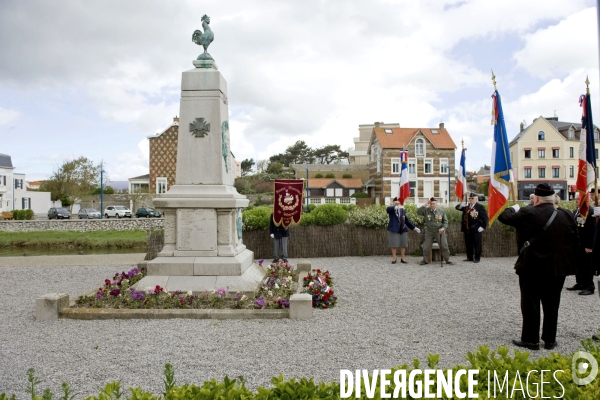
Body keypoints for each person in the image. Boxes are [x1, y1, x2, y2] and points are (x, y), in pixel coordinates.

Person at [498, 183, 578, 350]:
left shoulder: (529, 212)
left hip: (532, 267)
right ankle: (549, 339)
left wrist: (513, 208)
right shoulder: (566, 214)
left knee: (530, 303)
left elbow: (503, 218)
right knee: (552, 304)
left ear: (537, 198)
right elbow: (574, 240)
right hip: (557, 268)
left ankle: (531, 339)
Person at [566, 190, 596, 295]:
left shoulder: (590, 212)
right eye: (576, 199)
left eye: (578, 199)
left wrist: (589, 246)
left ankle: (589, 286)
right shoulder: (576, 211)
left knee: (587, 266)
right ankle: (580, 283)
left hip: (586, 245)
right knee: (578, 265)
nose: (576, 201)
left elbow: (592, 230)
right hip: (577, 245)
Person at [417, 197, 453, 265]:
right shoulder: (426, 210)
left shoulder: (441, 211)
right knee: (426, 247)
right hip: (429, 231)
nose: (432, 205)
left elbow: (445, 221)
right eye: (431, 203)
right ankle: (425, 260)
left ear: (436, 204)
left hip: (439, 231)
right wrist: (425, 205)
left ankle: (447, 260)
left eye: (433, 203)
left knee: (444, 246)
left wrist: (443, 228)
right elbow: (418, 212)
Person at [455, 192, 489, 263]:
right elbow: (457, 208)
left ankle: (477, 258)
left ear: (476, 199)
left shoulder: (480, 207)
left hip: (475, 228)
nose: (471, 199)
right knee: (468, 243)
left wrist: (482, 227)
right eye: (470, 198)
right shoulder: (466, 206)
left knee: (477, 243)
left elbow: (485, 218)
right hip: (467, 228)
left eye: (472, 198)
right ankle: (469, 257)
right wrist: (461, 205)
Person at [386, 197, 420, 264]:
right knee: (394, 244)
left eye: (399, 203)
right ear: (394, 204)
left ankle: (403, 258)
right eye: (396, 203)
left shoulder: (403, 210)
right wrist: (395, 207)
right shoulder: (391, 209)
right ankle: (394, 258)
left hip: (403, 228)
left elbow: (406, 220)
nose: (397, 204)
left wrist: (414, 228)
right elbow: (388, 210)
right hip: (393, 229)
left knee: (403, 244)